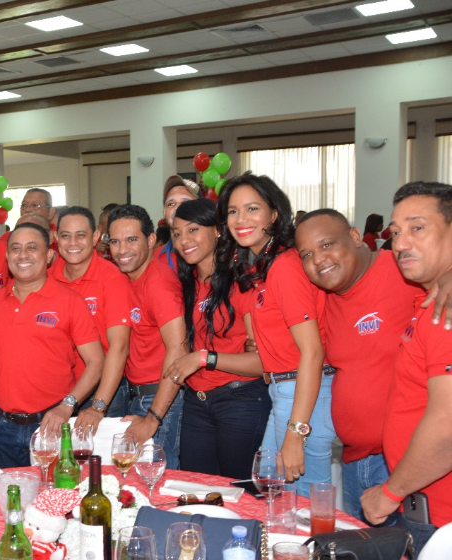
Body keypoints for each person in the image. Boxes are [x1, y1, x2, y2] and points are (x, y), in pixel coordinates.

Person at [208, 172, 332, 497]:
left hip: (303, 394)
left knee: (304, 510)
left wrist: (295, 433)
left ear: (274, 214)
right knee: (274, 497)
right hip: (284, 391)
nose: (241, 219)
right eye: (233, 211)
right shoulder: (260, 268)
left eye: (252, 209)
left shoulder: (284, 266)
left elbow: (313, 352)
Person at [295, 208, 422, 522]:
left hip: (403, 465)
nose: (318, 259)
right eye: (307, 254)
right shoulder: (327, 299)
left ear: (354, 236)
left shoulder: (403, 272)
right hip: (354, 462)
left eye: (327, 245)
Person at [361, 182, 452, 553]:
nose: (399, 243)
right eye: (395, 233)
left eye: (417, 228)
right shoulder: (429, 297)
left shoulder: (446, 313)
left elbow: (447, 428)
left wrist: (388, 493)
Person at [0, 223, 104, 468]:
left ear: (49, 256)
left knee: (54, 499)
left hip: (51, 424)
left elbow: (96, 361)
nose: (23, 255)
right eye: (15, 248)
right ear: (7, 257)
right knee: (6, 501)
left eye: (32, 248)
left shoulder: (71, 301)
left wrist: (67, 406)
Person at [164, 199, 269, 478]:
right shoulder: (185, 285)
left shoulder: (244, 283)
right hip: (196, 405)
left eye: (193, 230)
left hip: (239, 401)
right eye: (176, 233)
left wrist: (204, 358)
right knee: (198, 492)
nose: (184, 240)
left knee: (240, 495)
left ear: (218, 231)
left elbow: (262, 362)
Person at [107, 205, 187, 468]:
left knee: (154, 478)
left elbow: (178, 349)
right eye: (116, 242)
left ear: (151, 240)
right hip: (138, 395)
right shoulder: (127, 278)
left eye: (132, 240)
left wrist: (153, 417)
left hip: (159, 398)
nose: (122, 250)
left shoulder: (159, 282)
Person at [50, 206, 131, 429]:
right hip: (60, 390)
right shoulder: (48, 276)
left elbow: (120, 347)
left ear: (95, 237)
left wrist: (98, 406)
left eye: (81, 235)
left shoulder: (111, 278)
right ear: (56, 238)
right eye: (66, 236)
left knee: (101, 462)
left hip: (104, 390)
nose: (72, 243)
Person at [158, 175, 201, 271]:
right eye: (171, 204)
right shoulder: (154, 258)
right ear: (164, 212)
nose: (177, 208)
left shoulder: (216, 255)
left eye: (185, 202)